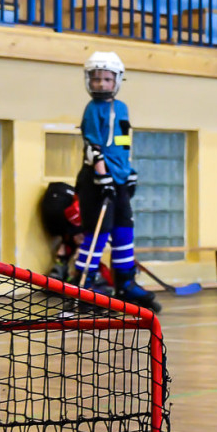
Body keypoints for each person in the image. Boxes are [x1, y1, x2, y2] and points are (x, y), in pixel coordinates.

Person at [73, 51, 160, 313]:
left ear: (117, 81)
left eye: (106, 80)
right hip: (97, 179)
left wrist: (128, 170)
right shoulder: (92, 109)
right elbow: (92, 145)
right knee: (98, 234)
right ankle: (83, 286)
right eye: (96, 79)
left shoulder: (122, 108)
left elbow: (123, 141)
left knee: (124, 230)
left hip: (119, 178)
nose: (101, 84)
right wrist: (102, 174)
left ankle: (125, 283)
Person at [40, 181, 84, 281]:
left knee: (68, 237)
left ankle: (57, 270)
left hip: (49, 203)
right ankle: (79, 275)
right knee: (81, 240)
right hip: (65, 207)